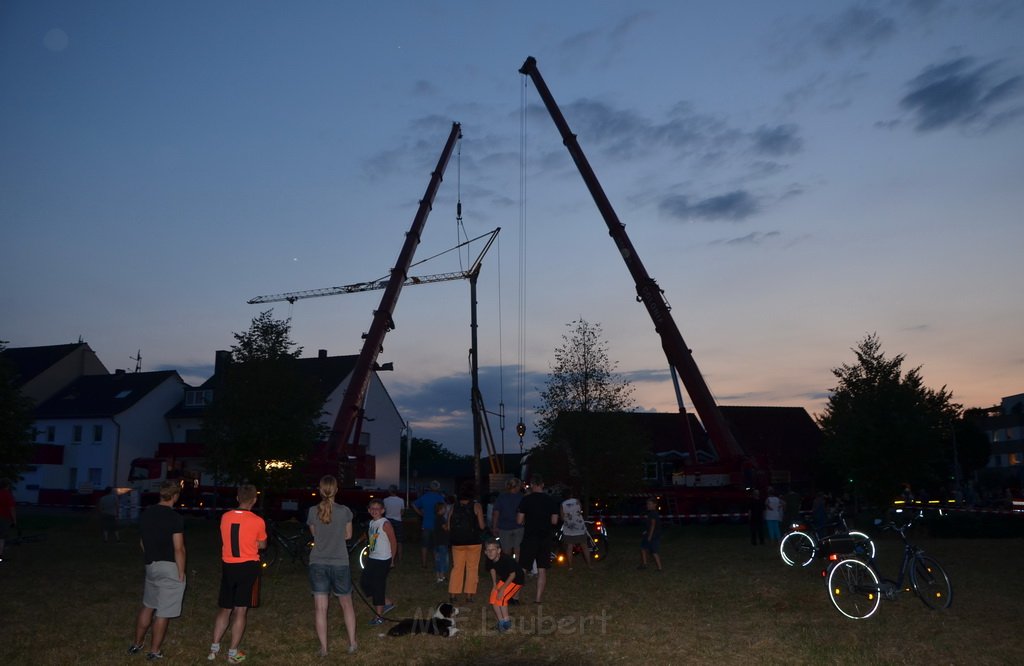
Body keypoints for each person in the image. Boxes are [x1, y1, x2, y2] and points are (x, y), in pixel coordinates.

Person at [207, 485, 267, 664]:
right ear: (254, 500)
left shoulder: (225, 517)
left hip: (229, 566)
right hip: (248, 567)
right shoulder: (257, 521)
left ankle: (214, 648)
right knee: (241, 610)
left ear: (237, 498)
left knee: (225, 608)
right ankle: (232, 652)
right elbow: (262, 545)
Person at [127, 480, 185, 660]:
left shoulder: (146, 514)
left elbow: (142, 542)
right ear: (175, 496)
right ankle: (154, 651)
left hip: (151, 565)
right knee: (163, 612)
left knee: (148, 605)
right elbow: (179, 548)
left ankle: (136, 644)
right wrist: (181, 572)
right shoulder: (175, 518)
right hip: (169, 567)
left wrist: (150, 556)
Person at [306, 475, 357, 657]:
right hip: (340, 563)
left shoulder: (312, 511)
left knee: (320, 608)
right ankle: (352, 643)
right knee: (347, 604)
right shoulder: (345, 511)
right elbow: (348, 535)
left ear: (320, 490)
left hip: (318, 562)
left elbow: (315, 535)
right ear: (336, 490)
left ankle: (324, 649)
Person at [516, 475, 559, 603]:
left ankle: (516, 597)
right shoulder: (550, 500)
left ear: (532, 484)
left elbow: (519, 520)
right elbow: (554, 521)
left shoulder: (526, 500)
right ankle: (538, 599)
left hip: (530, 537)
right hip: (545, 537)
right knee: (542, 569)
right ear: (543, 484)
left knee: (523, 567)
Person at [447, 482, 485, 604]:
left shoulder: (454, 507)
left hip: (457, 542)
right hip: (474, 542)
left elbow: (448, 526)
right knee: (472, 568)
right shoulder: (476, 506)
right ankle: (469, 596)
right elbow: (481, 526)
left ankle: (453, 594)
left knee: (457, 567)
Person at [362, 499, 397, 625]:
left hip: (383, 559)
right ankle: (386, 602)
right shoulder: (372, 523)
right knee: (365, 582)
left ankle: (379, 616)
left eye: (377, 508)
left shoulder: (385, 524)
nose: (374, 511)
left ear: (382, 510)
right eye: (372, 508)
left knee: (378, 586)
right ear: (369, 510)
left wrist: (392, 559)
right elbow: (373, 537)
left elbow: (393, 542)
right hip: (373, 557)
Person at [483, 538, 524, 634]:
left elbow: (513, 575)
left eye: (492, 550)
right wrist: (494, 585)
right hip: (505, 578)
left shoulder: (506, 559)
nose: (490, 552)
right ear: (485, 552)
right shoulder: (490, 558)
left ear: (498, 550)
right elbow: (492, 569)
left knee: (502, 598)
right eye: (488, 550)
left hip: (516, 579)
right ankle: (501, 623)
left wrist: (502, 589)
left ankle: (507, 623)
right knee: (493, 598)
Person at [412, 480, 445, 569]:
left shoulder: (424, 497)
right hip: (436, 525)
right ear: (438, 488)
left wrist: (420, 513)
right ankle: (437, 564)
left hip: (425, 524)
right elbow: (443, 509)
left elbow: (414, 504)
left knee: (424, 545)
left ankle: (424, 564)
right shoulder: (439, 498)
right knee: (436, 546)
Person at [491, 477, 524, 560]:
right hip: (518, 527)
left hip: (504, 527)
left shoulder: (502, 497)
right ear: (517, 486)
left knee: (506, 550)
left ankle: (508, 568)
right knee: (518, 550)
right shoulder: (521, 497)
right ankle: (517, 568)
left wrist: (494, 526)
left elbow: (496, 513)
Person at [382, 484, 405, 566]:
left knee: (388, 541)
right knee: (399, 541)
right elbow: (402, 512)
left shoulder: (385, 500)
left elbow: (384, 511)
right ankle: (400, 558)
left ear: (389, 491)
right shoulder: (401, 500)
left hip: (388, 521)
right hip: (398, 521)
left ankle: (389, 557)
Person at [639, 497, 663, 571]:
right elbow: (650, 525)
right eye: (647, 504)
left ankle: (659, 568)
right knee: (643, 548)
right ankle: (645, 564)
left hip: (654, 535)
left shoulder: (653, 513)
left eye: (650, 504)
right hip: (649, 533)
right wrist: (646, 531)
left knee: (654, 551)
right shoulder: (650, 513)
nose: (648, 505)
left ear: (654, 505)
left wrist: (650, 536)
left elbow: (653, 525)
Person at [432, 500, 450, 584]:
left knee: (438, 560)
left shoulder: (436, 518)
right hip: (442, 542)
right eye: (444, 508)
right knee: (443, 560)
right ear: (441, 509)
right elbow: (446, 528)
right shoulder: (441, 519)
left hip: (436, 542)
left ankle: (438, 577)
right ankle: (442, 577)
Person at [0, 479, 16, 563]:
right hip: (4, 518)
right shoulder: (8, 495)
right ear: (7, 486)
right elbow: (12, 508)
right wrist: (14, 520)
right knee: (2, 538)